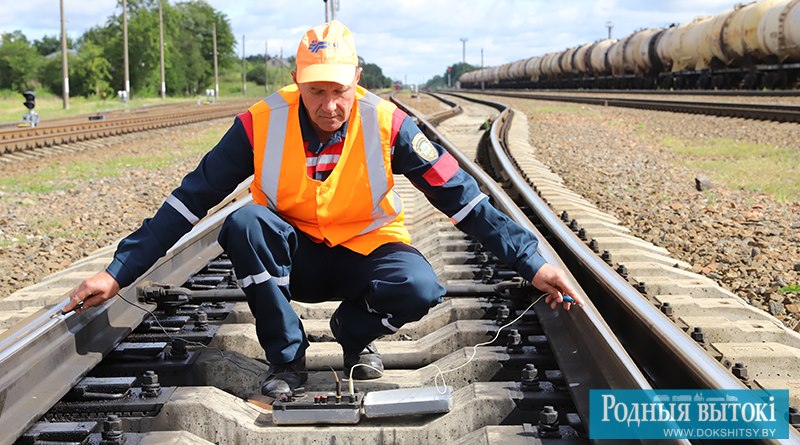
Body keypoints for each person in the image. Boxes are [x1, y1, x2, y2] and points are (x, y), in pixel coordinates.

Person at [64, 20, 580, 400]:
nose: (330, 104)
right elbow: (190, 199)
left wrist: (532, 263)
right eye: (316, 91)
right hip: (294, 261)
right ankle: (286, 361)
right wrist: (118, 272)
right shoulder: (259, 124)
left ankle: (353, 335)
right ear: (296, 80)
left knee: (421, 286)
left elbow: (463, 199)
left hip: (366, 255)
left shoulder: (390, 124)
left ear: (357, 78)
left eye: (340, 90)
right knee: (242, 222)